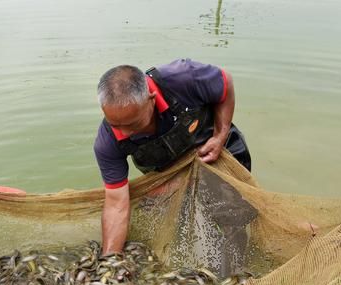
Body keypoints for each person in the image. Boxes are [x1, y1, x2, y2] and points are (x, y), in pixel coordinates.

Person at [94, 59, 252, 255]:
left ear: (151, 100)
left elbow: (225, 82)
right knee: (174, 219)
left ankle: (237, 261)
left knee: (232, 213)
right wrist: (109, 260)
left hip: (216, 152)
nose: (124, 133)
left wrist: (220, 135)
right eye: (116, 125)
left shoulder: (183, 78)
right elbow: (116, 204)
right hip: (170, 173)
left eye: (133, 124)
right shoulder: (107, 142)